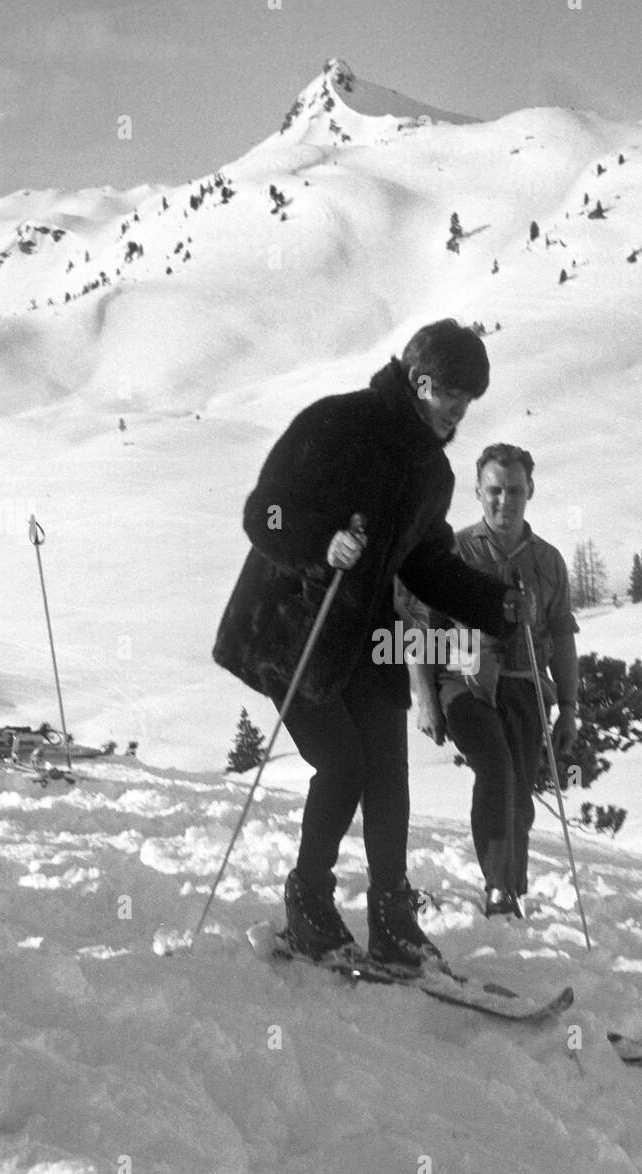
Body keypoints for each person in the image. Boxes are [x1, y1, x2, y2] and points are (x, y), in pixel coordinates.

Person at [212, 320, 529, 966]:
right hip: (289, 628)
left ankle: (391, 913)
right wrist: (320, 544)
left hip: (364, 633)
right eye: (452, 397)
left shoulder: (431, 472)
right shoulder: (337, 424)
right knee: (343, 763)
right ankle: (308, 901)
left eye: (469, 401)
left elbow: (428, 563)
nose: (459, 412)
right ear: (419, 382)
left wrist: (492, 604)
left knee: (388, 767)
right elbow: (264, 511)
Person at [405, 443, 578, 917]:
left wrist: (570, 708)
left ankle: (513, 887)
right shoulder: (454, 551)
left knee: (519, 793)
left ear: (531, 490)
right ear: (478, 492)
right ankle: (498, 888)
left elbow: (562, 635)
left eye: (515, 490)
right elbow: (421, 629)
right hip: (463, 682)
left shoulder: (548, 561)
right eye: (495, 491)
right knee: (497, 768)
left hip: (524, 685)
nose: (506, 501)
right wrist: (425, 699)